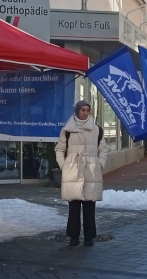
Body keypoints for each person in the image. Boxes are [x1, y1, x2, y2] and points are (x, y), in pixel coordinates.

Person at [55, 100, 108, 246]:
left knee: (90, 205)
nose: (85, 113)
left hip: (91, 169)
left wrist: (100, 164)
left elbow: (103, 149)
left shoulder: (97, 130)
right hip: (73, 169)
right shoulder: (67, 130)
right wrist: (64, 166)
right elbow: (59, 149)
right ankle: (73, 237)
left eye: (87, 110)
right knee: (74, 206)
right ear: (77, 111)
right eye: (83, 110)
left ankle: (89, 237)